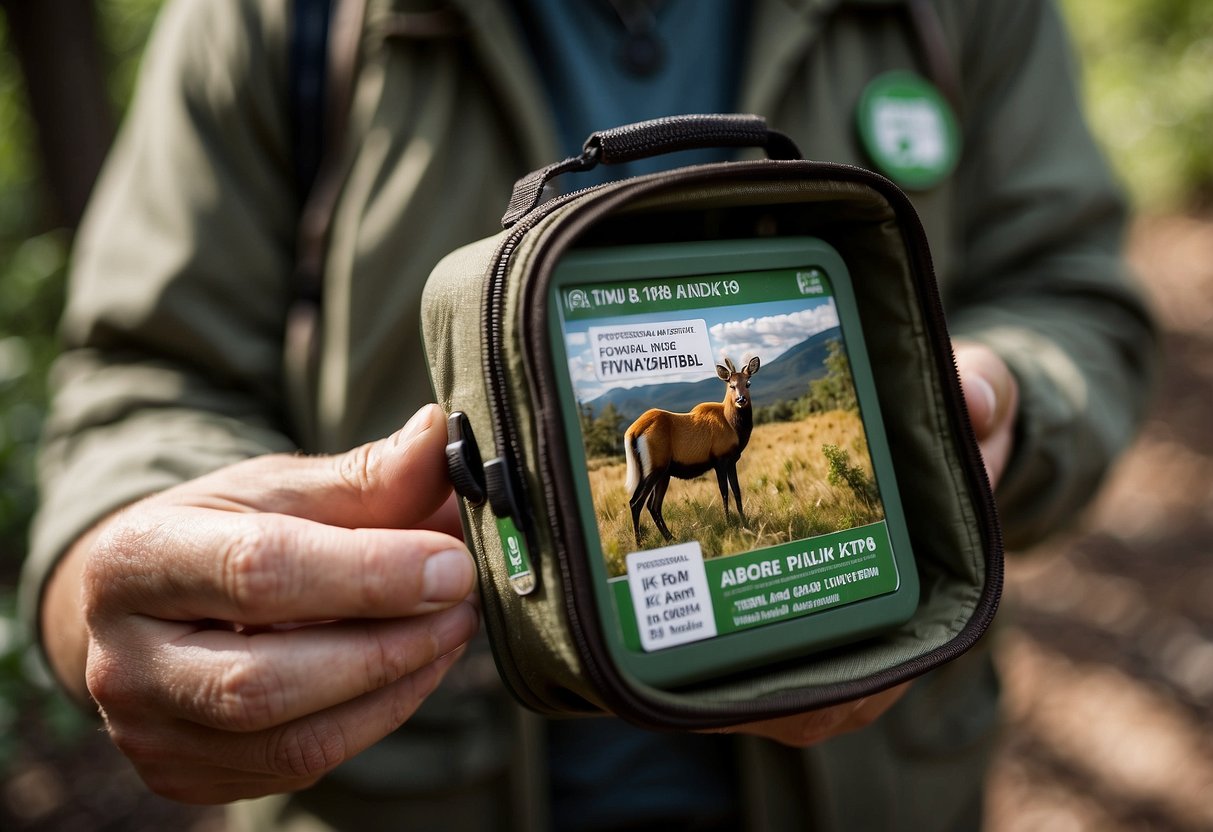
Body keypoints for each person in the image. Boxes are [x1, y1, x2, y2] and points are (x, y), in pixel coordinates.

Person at [22, 0, 1155, 829]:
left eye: (740, 388)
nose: (738, 396)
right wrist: (125, 588)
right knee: (671, 484)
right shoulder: (278, 22)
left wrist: (1001, 409)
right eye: (734, 387)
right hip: (405, 790)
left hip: (890, 790)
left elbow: (1071, 294)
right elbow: (142, 387)